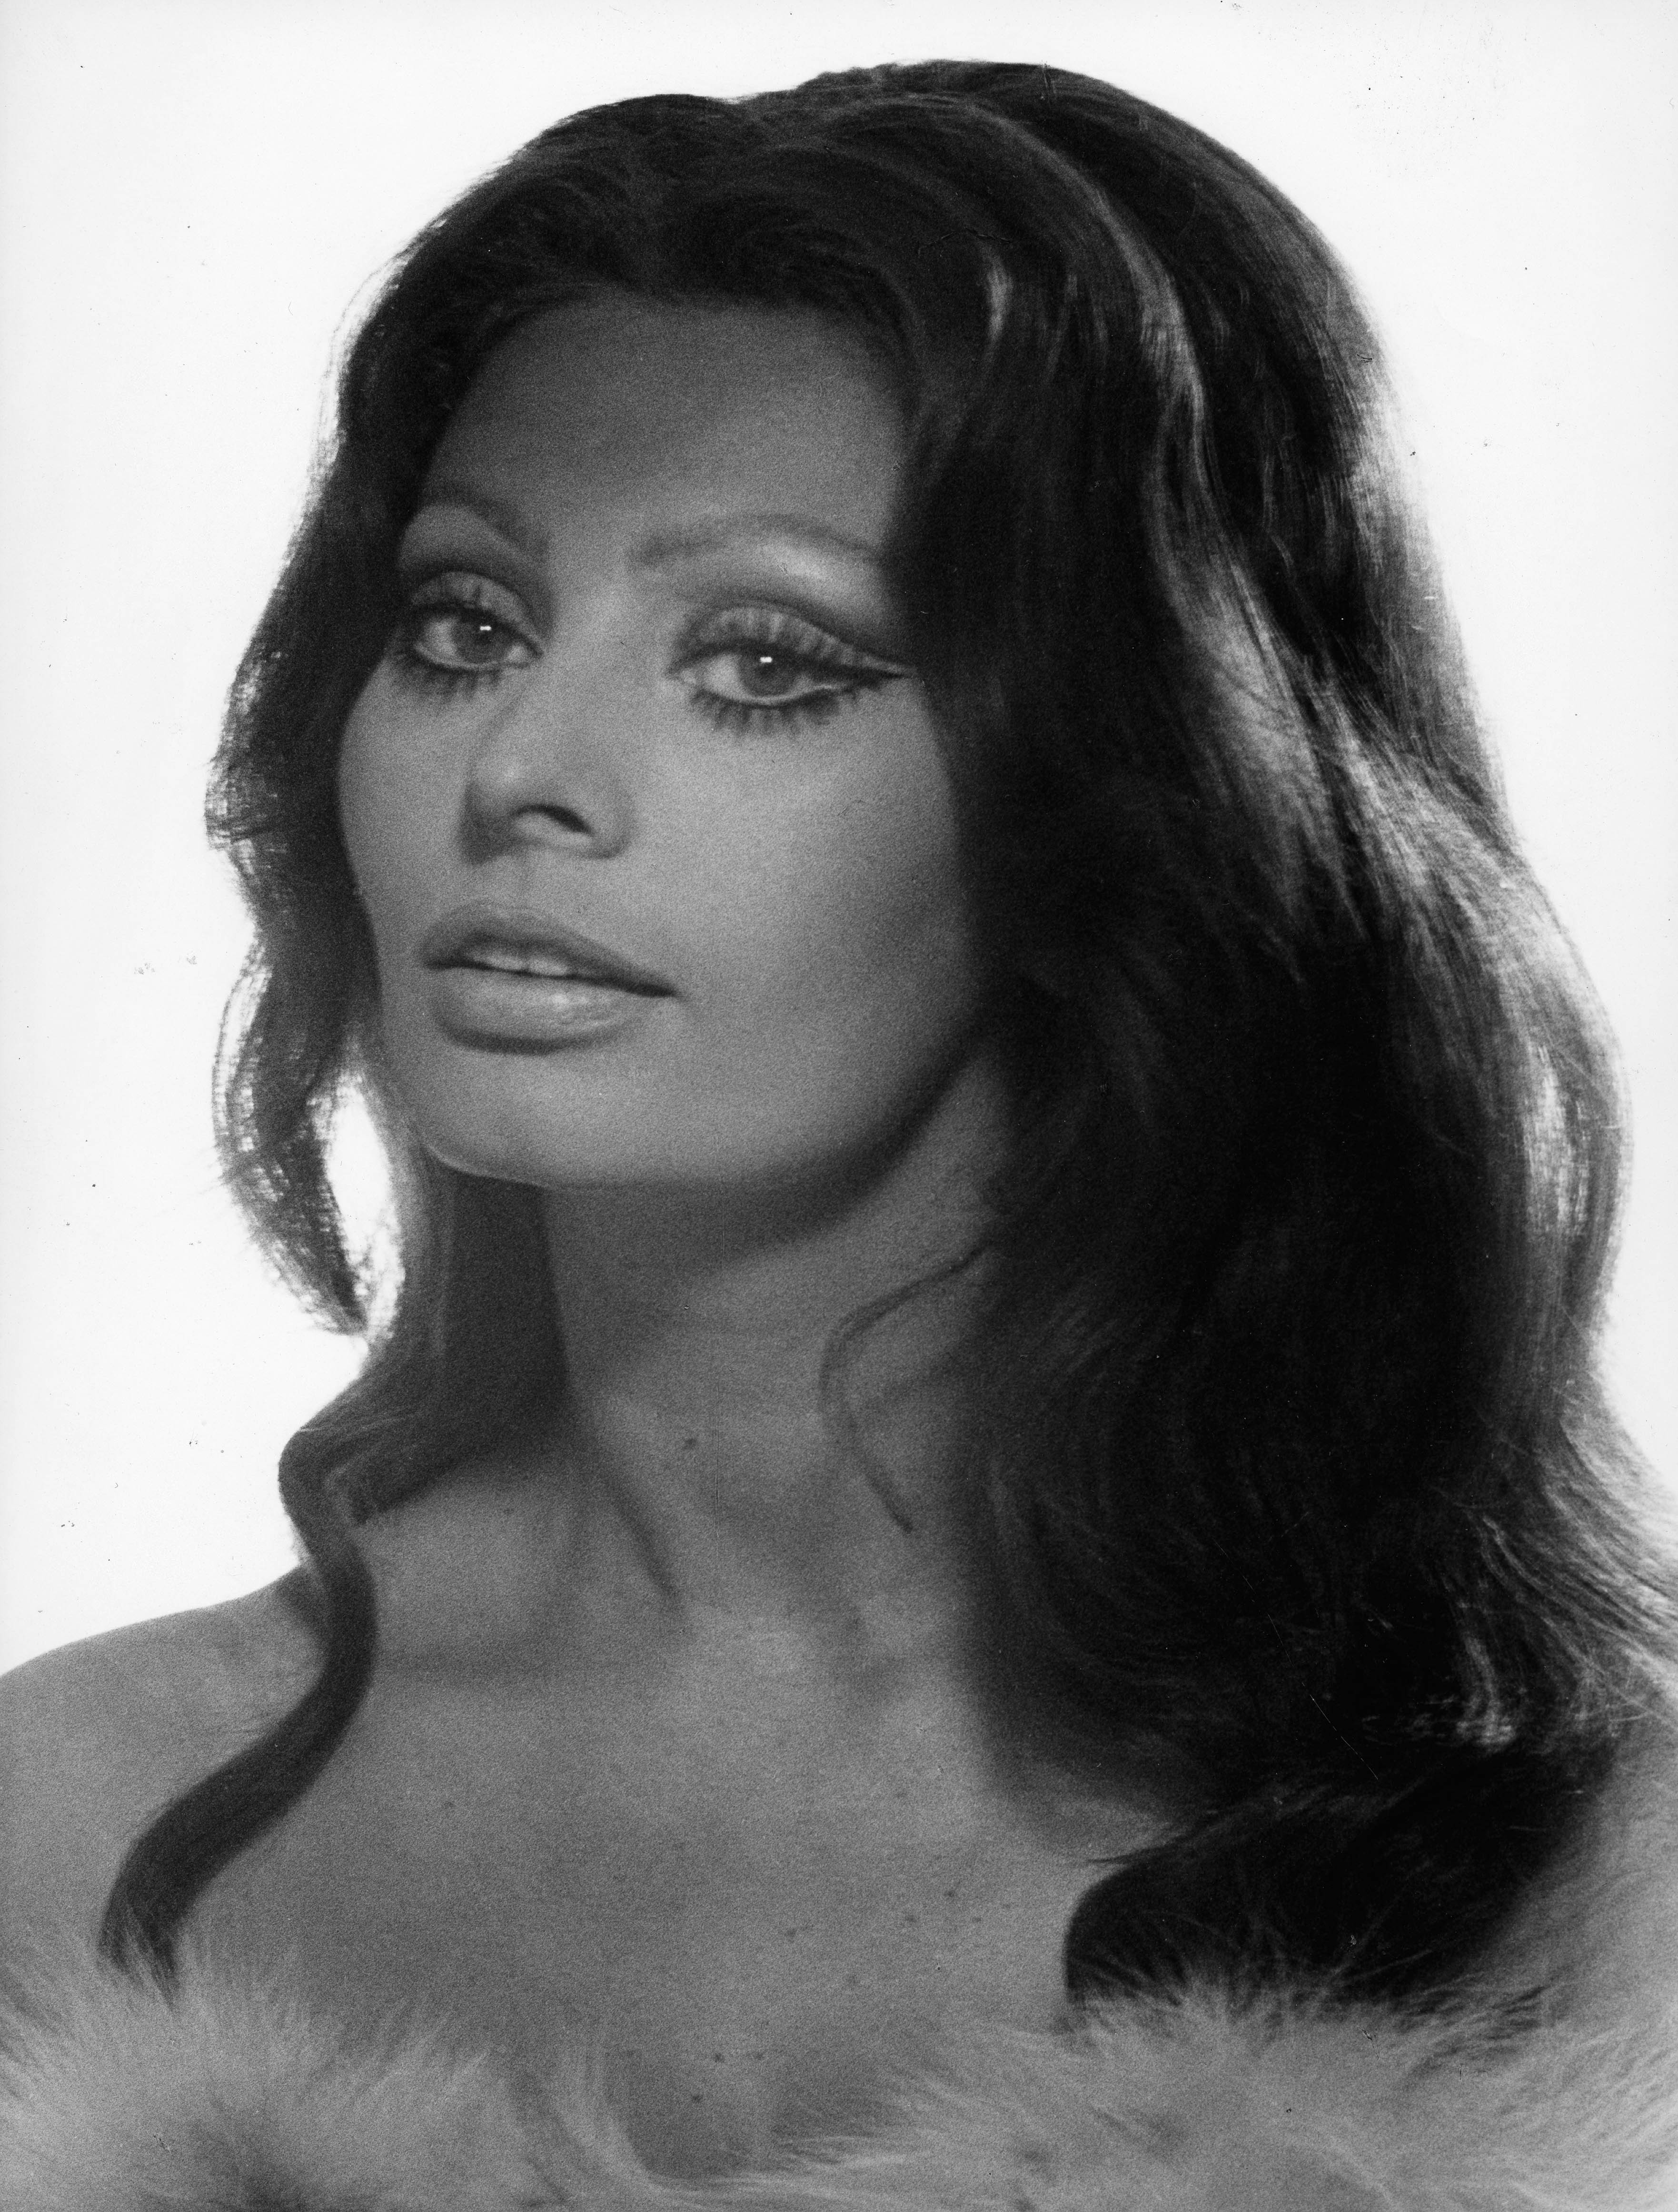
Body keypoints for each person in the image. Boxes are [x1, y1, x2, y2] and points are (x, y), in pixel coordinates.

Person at [2, 59, 1674, 2211]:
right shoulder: (70, 1826)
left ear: (1142, 797)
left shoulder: (1593, 1899)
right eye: (464, 624)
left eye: (768, 663)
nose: (518, 767)